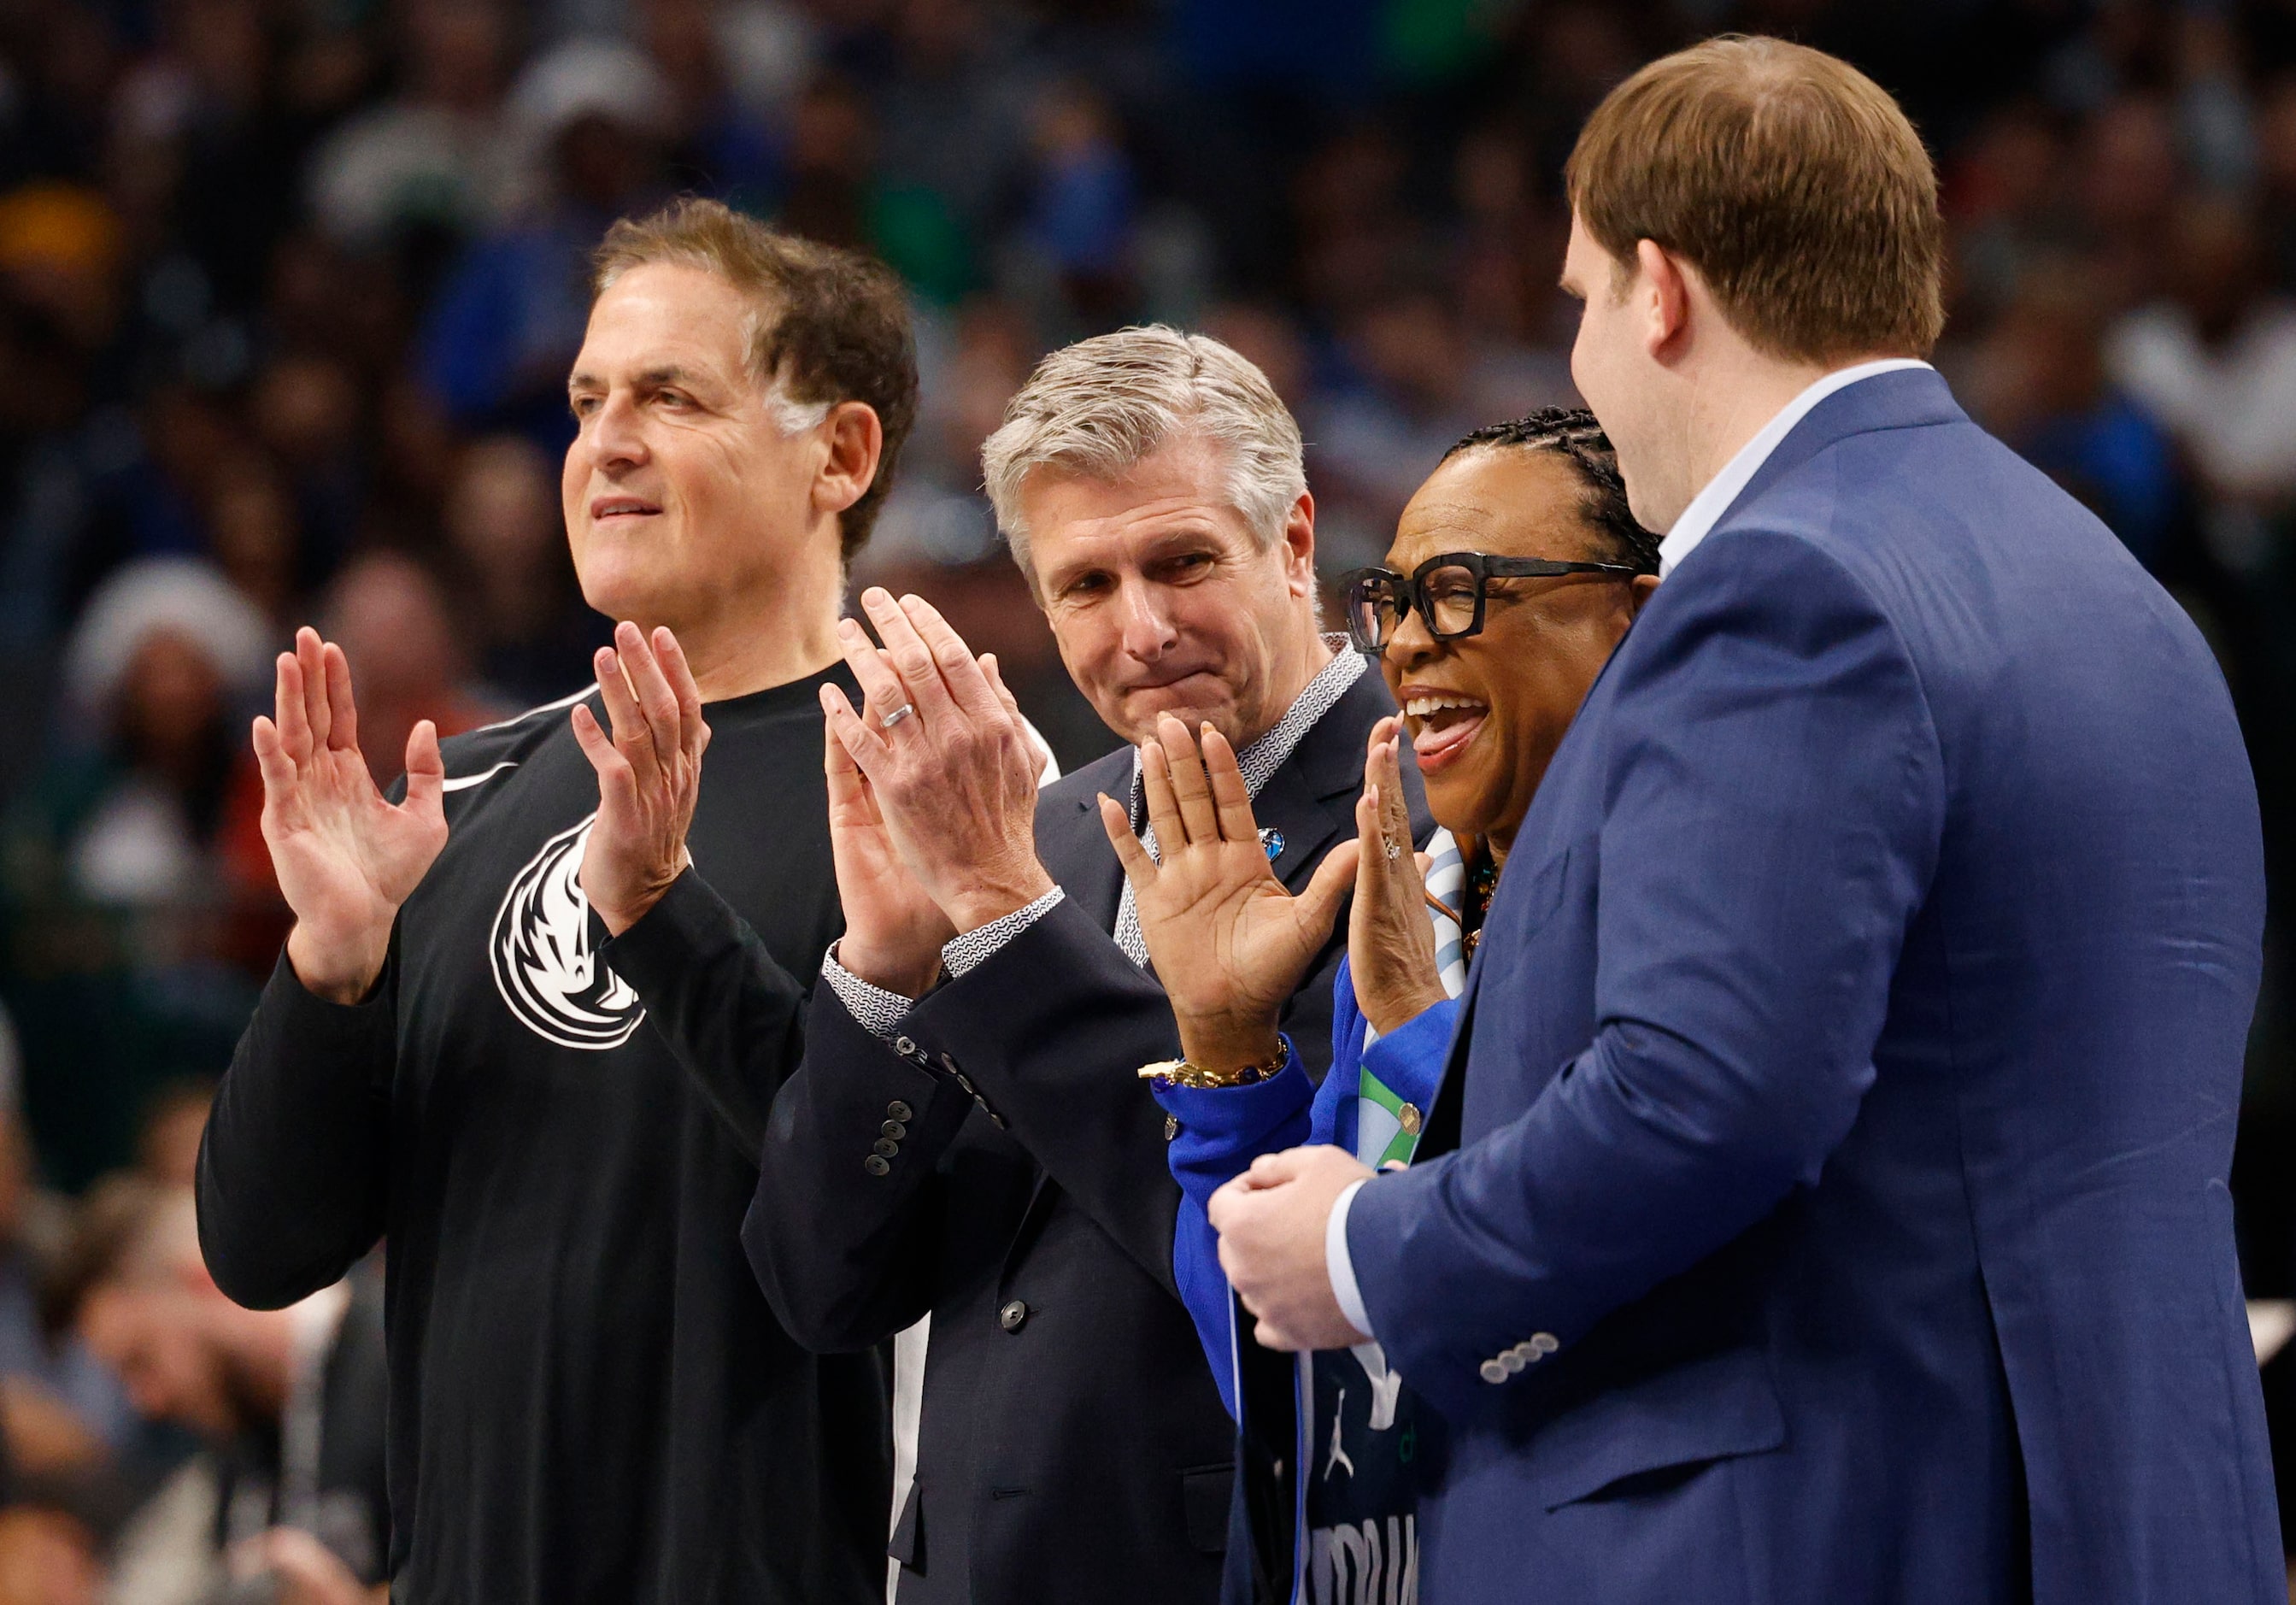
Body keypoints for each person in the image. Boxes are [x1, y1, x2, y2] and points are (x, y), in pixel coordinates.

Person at [1203, 36, 2284, 1603]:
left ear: (1658, 290)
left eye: (1577, 301)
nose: (1576, 348)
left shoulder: (1784, 585)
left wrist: (1372, 1251)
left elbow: (1705, 1093)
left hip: (1801, 1527)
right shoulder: (2109, 588)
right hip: (2111, 1499)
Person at [580, 326, 1425, 1603]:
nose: (1139, 630)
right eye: (1085, 584)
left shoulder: (1416, 815)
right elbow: (823, 1286)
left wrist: (998, 910)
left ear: (1294, 539)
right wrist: (882, 965)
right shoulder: (1036, 836)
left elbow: (1267, 1247)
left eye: (1181, 560)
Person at [194, 197, 917, 1602]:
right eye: (588, 400)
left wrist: (668, 911)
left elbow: (883, 1228)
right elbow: (263, 1248)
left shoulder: (933, 789)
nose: (604, 443)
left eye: (670, 395)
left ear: (837, 452)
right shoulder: (446, 804)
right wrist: (332, 964)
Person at [1125, 409, 1659, 1601]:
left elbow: (1593, 1293)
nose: (1409, 646)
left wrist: (1428, 1046)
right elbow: (1273, 1356)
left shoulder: (1686, 918)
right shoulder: (1411, 911)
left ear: (1639, 618)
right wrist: (1224, 1051)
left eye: (1463, 592)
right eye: (1396, 600)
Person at [49, 1178, 388, 1605]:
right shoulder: (237, 1453)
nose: (146, 1402)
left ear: (200, 1281)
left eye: (141, 1360)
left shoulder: (398, 1365)